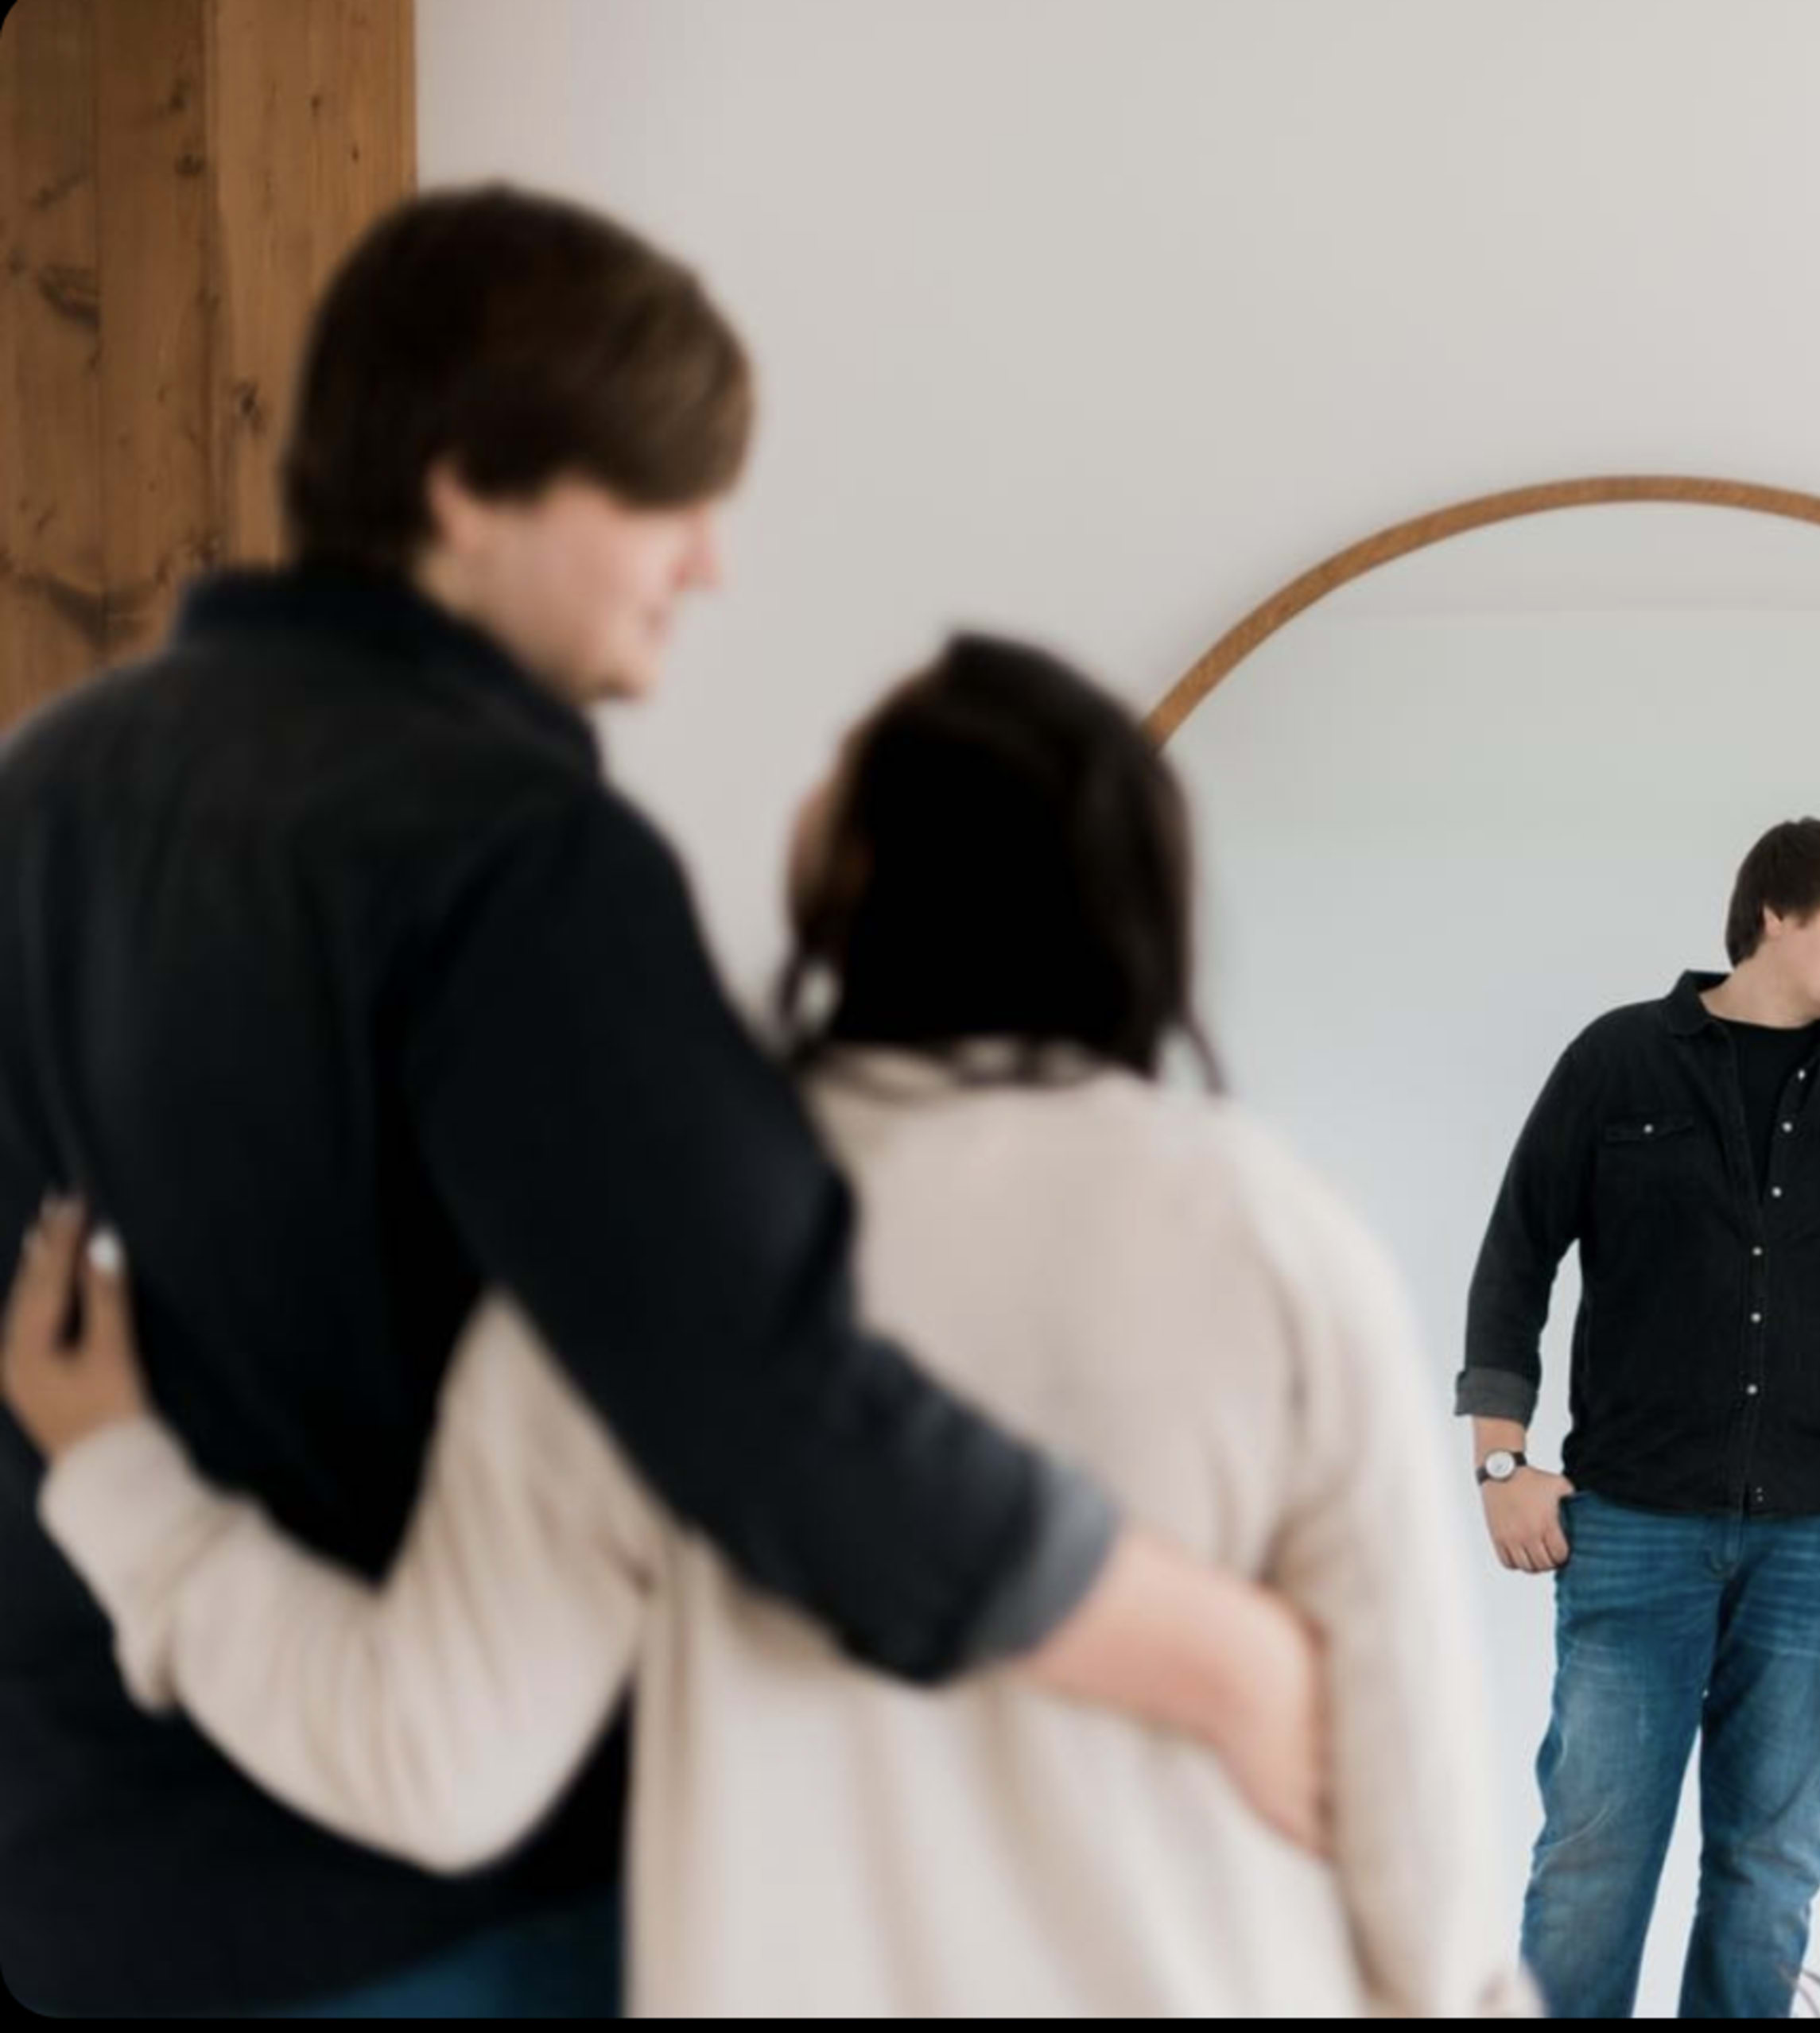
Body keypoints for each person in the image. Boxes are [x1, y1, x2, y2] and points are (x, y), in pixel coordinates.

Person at [0, 187, 1317, 2019]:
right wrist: (1214, 1656)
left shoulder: (46, 784)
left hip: (72, 1878)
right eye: (662, 497)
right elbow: (770, 1395)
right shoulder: (513, 858)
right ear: (465, 485)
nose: (703, 562)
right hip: (426, 1922)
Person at [2, 637, 1531, 2016]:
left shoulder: (662, 1248)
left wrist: (126, 1486)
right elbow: (1417, 1820)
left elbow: (434, 1758)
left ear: (844, 866)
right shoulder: (1273, 1237)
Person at [1462, 819, 1820, 2018]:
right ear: (1774, 909)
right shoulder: (1619, 1058)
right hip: (1630, 1527)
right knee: (1595, 1860)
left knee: (1771, 1869)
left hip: (1818, 1543)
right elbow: (1516, 1256)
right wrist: (1500, 1457)